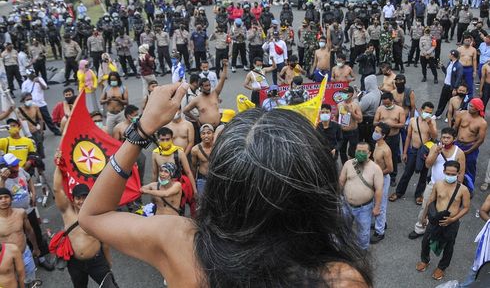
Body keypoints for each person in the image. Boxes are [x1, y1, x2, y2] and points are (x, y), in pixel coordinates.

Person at [78, 83, 373, 287]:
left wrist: (141, 130)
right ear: (315, 186)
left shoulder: (180, 244)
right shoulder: (340, 279)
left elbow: (94, 215)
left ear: (220, 183)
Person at [52, 156, 114, 288]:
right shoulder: (67, 212)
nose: (82, 201)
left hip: (97, 261)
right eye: (78, 198)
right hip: (75, 264)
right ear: (73, 199)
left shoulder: (97, 212)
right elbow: (57, 189)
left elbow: (106, 242)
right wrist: (58, 165)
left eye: (85, 197)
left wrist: (108, 262)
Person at [416, 160, 470, 281]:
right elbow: (431, 201)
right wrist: (424, 217)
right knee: (426, 241)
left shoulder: (463, 190)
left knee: (449, 246)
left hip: (451, 222)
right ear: (444, 171)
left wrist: (453, 219)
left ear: (458, 173)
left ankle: (442, 267)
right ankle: (425, 260)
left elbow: (466, 207)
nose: (450, 176)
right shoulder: (438, 184)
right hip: (435, 219)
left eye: (453, 174)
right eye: (448, 173)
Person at [409, 127, 466, 240]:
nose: (445, 140)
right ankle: (420, 227)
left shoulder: (459, 153)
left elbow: (461, 172)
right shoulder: (435, 147)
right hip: (433, 184)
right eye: (443, 137)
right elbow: (427, 164)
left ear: (454, 139)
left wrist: (458, 188)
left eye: (448, 138)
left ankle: (435, 231)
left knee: (443, 209)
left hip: (450, 187)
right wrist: (436, 152)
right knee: (425, 206)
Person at [390, 102, 438, 204]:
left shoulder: (432, 122)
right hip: (414, 150)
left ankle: (419, 195)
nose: (428, 114)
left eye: (430, 113)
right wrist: (405, 152)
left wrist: (429, 124)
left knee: (423, 174)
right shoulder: (413, 120)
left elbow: (434, 137)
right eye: (426, 112)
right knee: (407, 172)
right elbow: (408, 137)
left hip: (425, 151)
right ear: (421, 110)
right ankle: (399, 192)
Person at [339, 142, 383, 250]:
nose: (360, 153)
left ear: (369, 153)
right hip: (346, 205)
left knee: (363, 233)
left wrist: (377, 208)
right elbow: (341, 181)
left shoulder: (375, 169)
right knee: (343, 229)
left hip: (364, 208)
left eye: (364, 151)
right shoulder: (348, 164)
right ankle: (344, 250)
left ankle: (361, 253)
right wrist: (337, 199)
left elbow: (378, 190)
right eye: (358, 151)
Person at [0, 187, 39, 287]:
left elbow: (29, 231)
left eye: (6, 197)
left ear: (11, 199)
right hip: (6, 259)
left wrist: (35, 247)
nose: (3, 200)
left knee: (30, 281)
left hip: (24, 253)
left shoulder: (20, 213)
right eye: (0, 198)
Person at [453, 98, 488, 190]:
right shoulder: (462, 114)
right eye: (470, 105)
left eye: (472, 106)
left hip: (470, 146)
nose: (469, 107)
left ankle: (469, 189)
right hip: (458, 144)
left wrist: (468, 151)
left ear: (477, 109)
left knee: (469, 168)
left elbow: (480, 140)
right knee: (452, 165)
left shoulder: (482, 123)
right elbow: (455, 128)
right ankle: (452, 186)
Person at [183, 60, 228, 128]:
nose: (209, 87)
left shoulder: (215, 93)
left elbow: (222, 79)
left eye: (209, 85)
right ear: (201, 87)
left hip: (219, 125)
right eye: (206, 86)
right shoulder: (197, 100)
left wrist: (225, 67)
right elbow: (185, 111)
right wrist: (196, 119)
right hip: (205, 130)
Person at [152, 127, 197, 194]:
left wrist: (194, 190)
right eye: (162, 139)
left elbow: (188, 172)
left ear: (172, 139)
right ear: (159, 140)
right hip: (162, 187)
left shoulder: (179, 152)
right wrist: (153, 191)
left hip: (177, 187)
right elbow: (155, 174)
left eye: (167, 139)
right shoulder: (155, 153)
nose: (165, 142)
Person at [374, 92, 405, 186]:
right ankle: (378, 172)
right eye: (385, 104)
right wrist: (382, 124)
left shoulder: (399, 110)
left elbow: (402, 124)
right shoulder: (380, 109)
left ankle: (393, 176)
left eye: (388, 103)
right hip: (381, 138)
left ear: (392, 100)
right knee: (378, 156)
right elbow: (375, 122)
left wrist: (393, 125)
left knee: (393, 157)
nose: (386, 105)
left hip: (393, 136)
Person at [21, 68, 61, 135]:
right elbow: (23, 94)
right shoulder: (25, 84)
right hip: (32, 104)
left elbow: (45, 87)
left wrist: (39, 82)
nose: (32, 76)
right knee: (36, 119)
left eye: (33, 74)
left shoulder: (40, 79)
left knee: (47, 118)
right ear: (27, 75)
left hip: (41, 103)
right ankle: (40, 132)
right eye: (31, 75)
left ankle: (55, 131)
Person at [371, 122, 393, 244]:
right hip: (376, 178)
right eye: (375, 130)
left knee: (380, 205)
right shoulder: (376, 144)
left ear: (383, 135)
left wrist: (378, 175)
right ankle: (381, 223)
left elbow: (390, 168)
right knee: (376, 202)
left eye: (377, 132)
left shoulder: (386, 150)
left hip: (382, 179)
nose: (375, 133)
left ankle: (380, 232)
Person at [434, 50, 464, 118]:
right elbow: (447, 73)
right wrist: (442, 67)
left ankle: (449, 116)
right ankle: (438, 114)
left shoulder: (459, 66)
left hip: (452, 87)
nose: (448, 55)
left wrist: (455, 88)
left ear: (452, 55)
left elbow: (459, 78)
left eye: (449, 54)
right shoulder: (449, 63)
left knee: (451, 102)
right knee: (442, 100)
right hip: (445, 85)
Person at [17, 93, 44, 158]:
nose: (30, 100)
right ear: (23, 100)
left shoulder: (35, 107)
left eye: (31, 99)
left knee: (40, 153)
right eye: (27, 99)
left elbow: (40, 119)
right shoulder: (18, 110)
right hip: (26, 134)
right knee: (31, 154)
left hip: (36, 132)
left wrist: (41, 130)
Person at [190, 124, 214, 194]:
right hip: (202, 179)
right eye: (203, 133)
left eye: (209, 133)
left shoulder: (218, 147)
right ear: (200, 136)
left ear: (213, 134)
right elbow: (194, 166)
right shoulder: (195, 150)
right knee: (201, 201)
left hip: (215, 178)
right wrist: (194, 181)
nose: (206, 136)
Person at [359, 74, 381, 146]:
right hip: (375, 119)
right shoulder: (380, 92)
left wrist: (356, 99)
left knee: (364, 140)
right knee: (372, 141)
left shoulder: (369, 97)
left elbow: (360, 109)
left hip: (366, 121)